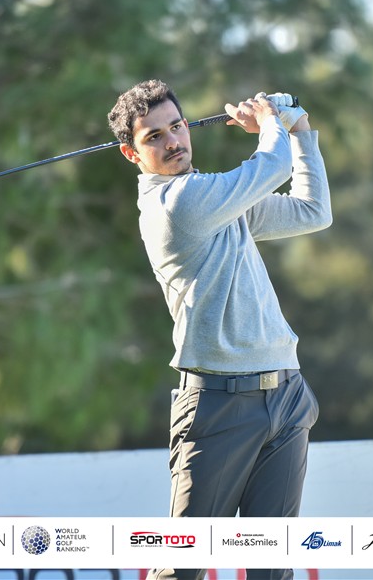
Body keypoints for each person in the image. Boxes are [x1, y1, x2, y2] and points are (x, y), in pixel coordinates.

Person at [107, 80, 333, 580]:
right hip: (218, 406)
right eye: (153, 137)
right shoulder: (176, 205)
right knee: (182, 570)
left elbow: (314, 212)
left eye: (177, 126)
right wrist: (271, 122)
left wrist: (300, 130)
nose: (172, 142)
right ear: (131, 153)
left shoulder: (215, 198)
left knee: (273, 572)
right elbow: (270, 167)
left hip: (286, 397)